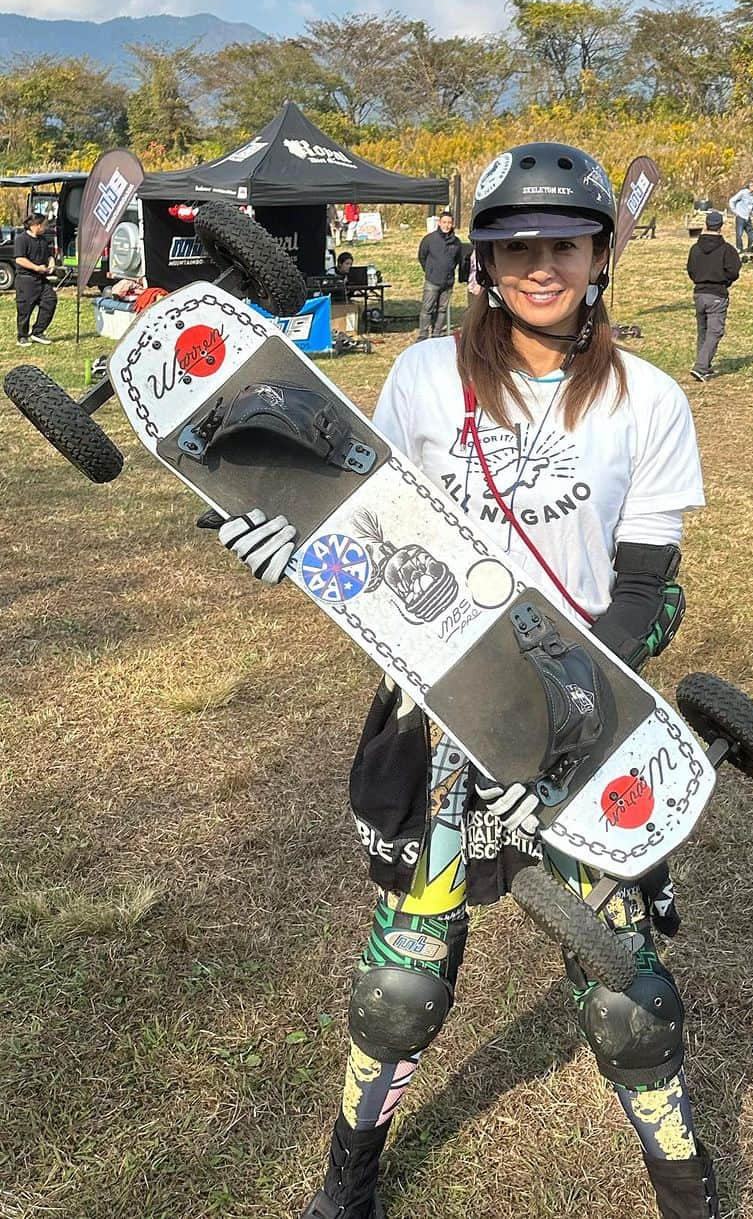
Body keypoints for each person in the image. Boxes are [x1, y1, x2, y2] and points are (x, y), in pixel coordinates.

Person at [211, 142, 722, 1219]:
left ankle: (684, 1187)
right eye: (518, 246)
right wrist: (282, 539)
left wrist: (557, 710)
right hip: (439, 712)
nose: (543, 265)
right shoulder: (424, 377)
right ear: (483, 262)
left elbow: (646, 591)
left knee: (628, 997)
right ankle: (349, 1179)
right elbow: (357, 522)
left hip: (578, 722)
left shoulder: (648, 397)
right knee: (400, 985)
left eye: (566, 245)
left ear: (599, 258)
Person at [686, 209, 740, 381]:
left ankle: (704, 365)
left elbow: (691, 270)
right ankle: (701, 367)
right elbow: (734, 271)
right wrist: (724, 281)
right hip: (717, 294)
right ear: (721, 226)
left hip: (699, 294)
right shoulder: (727, 249)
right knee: (714, 332)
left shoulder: (695, 248)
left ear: (706, 224)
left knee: (703, 331)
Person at [417, 210, 466, 339]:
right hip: (432, 281)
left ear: (453, 224)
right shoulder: (430, 239)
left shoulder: (456, 242)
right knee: (427, 309)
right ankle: (423, 335)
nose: (446, 225)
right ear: (439, 223)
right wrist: (429, 270)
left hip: (448, 283)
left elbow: (458, 261)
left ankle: (436, 334)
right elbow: (422, 256)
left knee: (442, 310)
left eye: (449, 223)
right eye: (444, 222)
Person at [13, 212, 57, 346]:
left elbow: (49, 255)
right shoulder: (22, 239)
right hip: (26, 280)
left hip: (42, 280)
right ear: (35, 225)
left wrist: (51, 262)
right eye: (44, 225)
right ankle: (22, 336)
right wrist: (36, 268)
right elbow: (20, 259)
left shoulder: (42, 239)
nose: (46, 227)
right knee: (25, 310)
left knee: (50, 300)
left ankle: (38, 332)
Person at [726, 180, 753, 255]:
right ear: (748, 186)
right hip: (740, 217)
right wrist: (735, 211)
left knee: (752, 234)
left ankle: (750, 248)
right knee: (739, 234)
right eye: (752, 185)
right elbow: (732, 200)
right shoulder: (742, 193)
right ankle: (739, 249)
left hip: (747, 217)